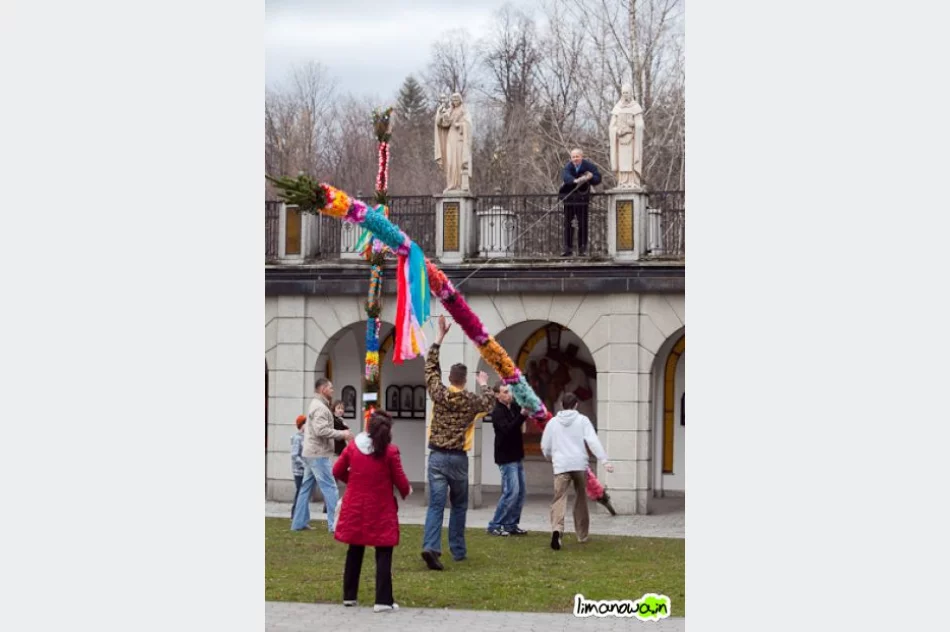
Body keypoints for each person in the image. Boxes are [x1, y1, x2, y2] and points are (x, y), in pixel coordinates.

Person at [421, 314, 495, 570]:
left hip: (437, 458)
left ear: (449, 378)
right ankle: (458, 550)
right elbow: (490, 403)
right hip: (459, 459)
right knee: (460, 505)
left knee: (436, 505)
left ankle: (431, 546)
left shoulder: (439, 394)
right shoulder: (472, 400)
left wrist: (440, 338)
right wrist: (485, 385)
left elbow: (430, 369)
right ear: (464, 381)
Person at [333, 410, 411, 613]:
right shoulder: (391, 452)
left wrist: (353, 482)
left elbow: (337, 470)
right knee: (384, 551)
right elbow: (400, 479)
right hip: (381, 507)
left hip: (355, 506)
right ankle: (383, 600)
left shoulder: (353, 448)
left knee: (355, 549)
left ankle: (349, 596)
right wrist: (406, 491)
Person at [540, 392, 614, 550]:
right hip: (579, 464)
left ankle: (557, 530)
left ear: (561, 405)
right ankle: (582, 534)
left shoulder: (553, 422)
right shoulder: (582, 421)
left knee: (559, 498)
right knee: (580, 498)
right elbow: (593, 441)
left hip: (561, 465)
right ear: (576, 405)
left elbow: (545, 445)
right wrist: (604, 460)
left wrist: (549, 457)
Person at [291, 378, 354, 533]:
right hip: (318, 454)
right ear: (323, 389)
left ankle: (298, 523)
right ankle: (335, 525)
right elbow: (321, 430)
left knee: (306, 488)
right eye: (330, 388)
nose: (333, 390)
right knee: (331, 488)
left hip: (311, 453)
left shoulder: (318, 404)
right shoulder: (320, 407)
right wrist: (343, 434)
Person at [486, 383, 531, 537]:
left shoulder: (513, 407)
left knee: (521, 492)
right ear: (497, 395)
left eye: (509, 392)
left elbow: (523, 405)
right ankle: (495, 524)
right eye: (505, 392)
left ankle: (511, 524)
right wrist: (522, 416)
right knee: (511, 492)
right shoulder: (498, 412)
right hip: (506, 457)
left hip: (516, 455)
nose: (509, 395)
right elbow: (508, 429)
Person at [558, 148, 602, 257]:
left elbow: (597, 178)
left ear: (581, 157)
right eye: (573, 157)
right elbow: (566, 176)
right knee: (568, 224)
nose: (575, 159)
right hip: (569, 199)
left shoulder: (588, 166)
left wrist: (590, 177)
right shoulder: (568, 166)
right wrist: (575, 180)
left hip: (582, 199)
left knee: (583, 223)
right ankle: (567, 249)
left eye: (577, 157)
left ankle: (583, 249)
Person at [608, 83, 646, 188]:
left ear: (631, 93)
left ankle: (633, 182)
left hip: (632, 141)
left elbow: (640, 125)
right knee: (622, 162)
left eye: (627, 93)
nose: (625, 95)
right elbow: (611, 126)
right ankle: (622, 182)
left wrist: (633, 125)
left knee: (631, 160)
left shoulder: (636, 107)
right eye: (623, 93)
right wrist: (618, 131)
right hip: (620, 142)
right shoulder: (617, 108)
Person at [434, 92, 473, 192]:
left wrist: (460, 125)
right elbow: (441, 123)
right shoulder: (450, 111)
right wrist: (440, 112)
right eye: (453, 100)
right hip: (450, 138)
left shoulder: (464, 111)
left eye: (456, 99)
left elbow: (468, 125)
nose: (455, 101)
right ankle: (451, 184)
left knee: (459, 162)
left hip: (460, 139)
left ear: (460, 100)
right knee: (450, 162)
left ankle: (460, 185)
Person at [289, 415, 307, 520]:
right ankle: (294, 515)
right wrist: (304, 464)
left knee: (302, 493)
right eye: (306, 423)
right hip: (299, 471)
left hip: (305, 470)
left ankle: (299, 516)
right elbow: (294, 455)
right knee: (300, 492)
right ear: (301, 425)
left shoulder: (305, 437)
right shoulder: (297, 438)